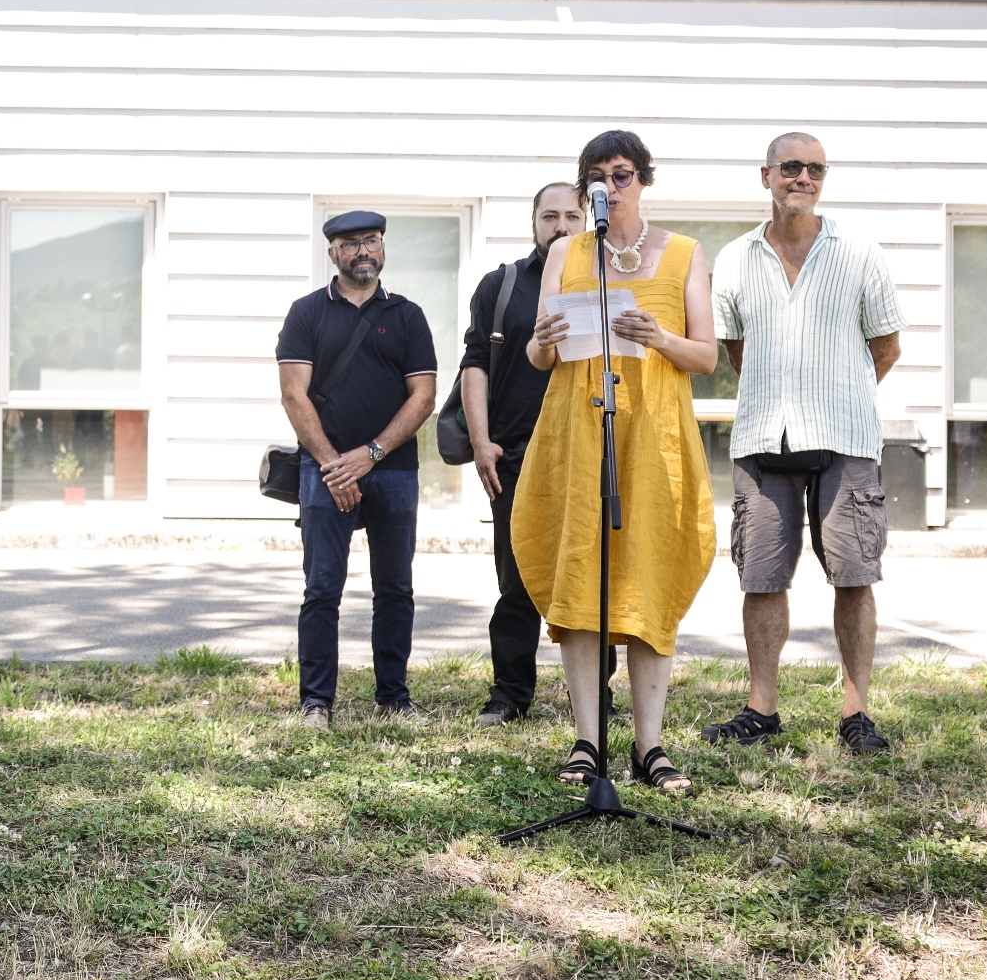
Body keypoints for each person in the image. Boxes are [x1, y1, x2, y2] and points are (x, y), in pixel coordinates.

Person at [515, 130, 718, 794]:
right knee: (580, 580)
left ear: (643, 180)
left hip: (652, 436)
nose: (611, 185)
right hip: (578, 432)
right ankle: (587, 739)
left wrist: (657, 337)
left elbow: (706, 356)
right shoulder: (566, 252)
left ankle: (649, 745)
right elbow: (540, 356)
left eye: (622, 173)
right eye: (597, 177)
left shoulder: (684, 253)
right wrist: (540, 340)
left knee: (648, 575)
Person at [702, 131, 906, 757]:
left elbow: (887, 347)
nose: (804, 178)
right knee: (761, 577)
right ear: (765, 175)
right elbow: (735, 350)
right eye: (791, 166)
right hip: (763, 437)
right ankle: (761, 709)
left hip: (845, 440)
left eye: (816, 169)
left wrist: (838, 395)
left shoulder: (860, 253)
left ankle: (856, 713)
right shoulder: (734, 259)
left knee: (854, 575)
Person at [275, 210, 438, 729]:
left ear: (383, 247)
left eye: (371, 240)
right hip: (324, 472)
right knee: (322, 589)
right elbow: (293, 395)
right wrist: (334, 465)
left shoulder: (408, 316)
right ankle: (315, 703)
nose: (363, 250)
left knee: (395, 589)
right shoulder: (306, 313)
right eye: (351, 243)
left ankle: (393, 698)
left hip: (393, 469)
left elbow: (424, 397)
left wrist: (370, 455)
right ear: (333, 253)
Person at [459, 182, 583, 727]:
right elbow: (475, 364)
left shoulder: (608, 282)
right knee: (516, 582)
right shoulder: (502, 285)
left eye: (572, 215)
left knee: (587, 576)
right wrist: (480, 441)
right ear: (534, 221)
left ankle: (591, 696)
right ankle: (510, 693)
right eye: (550, 216)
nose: (561, 226)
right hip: (516, 455)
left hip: (588, 453)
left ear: (587, 220)